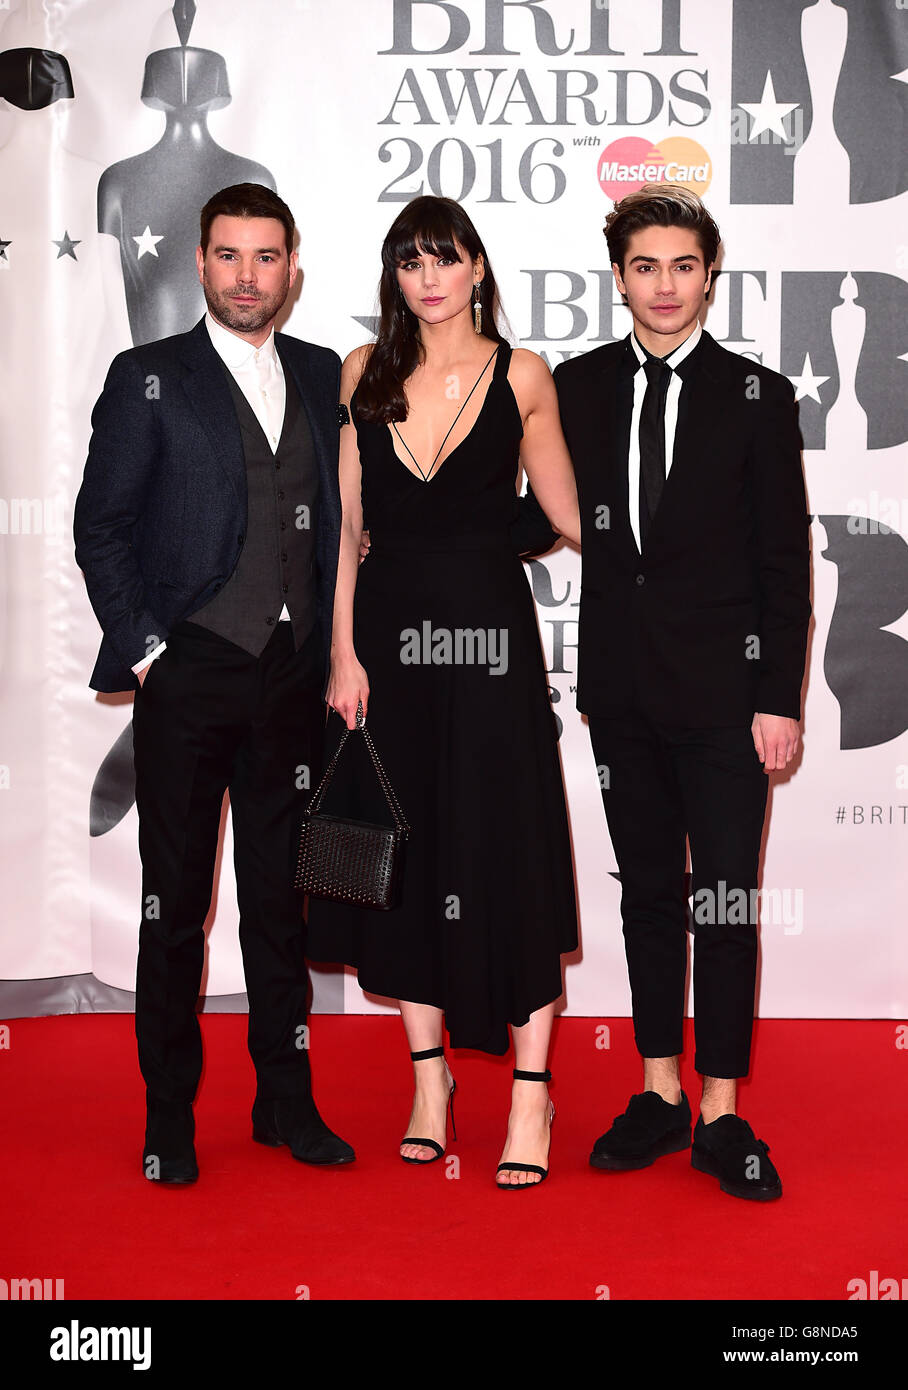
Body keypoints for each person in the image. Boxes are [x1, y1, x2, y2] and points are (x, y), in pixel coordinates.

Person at [73, 183, 354, 1182]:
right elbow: (101, 526)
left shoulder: (322, 373)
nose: (246, 276)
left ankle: (285, 1101)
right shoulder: (148, 375)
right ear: (199, 262)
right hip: (189, 676)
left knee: (280, 906)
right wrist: (152, 651)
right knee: (174, 909)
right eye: (228, 255)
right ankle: (169, 1115)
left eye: (265, 256)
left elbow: (344, 522)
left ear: (291, 268)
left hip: (291, 681)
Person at [305, 195, 581, 1188]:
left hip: (492, 650)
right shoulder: (361, 374)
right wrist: (342, 653)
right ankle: (430, 1084)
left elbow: (569, 512)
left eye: (444, 258)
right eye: (409, 261)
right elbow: (348, 526)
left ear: (476, 268)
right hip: (387, 648)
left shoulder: (524, 375)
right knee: (406, 859)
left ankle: (531, 1094)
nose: (427, 277)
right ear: (395, 276)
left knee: (510, 850)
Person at [554, 184, 810, 1201]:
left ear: (709, 277)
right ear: (619, 279)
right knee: (649, 895)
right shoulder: (574, 387)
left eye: (683, 266)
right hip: (620, 694)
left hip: (726, 701)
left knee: (725, 900)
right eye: (644, 267)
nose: (664, 286)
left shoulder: (757, 395)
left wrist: (777, 697)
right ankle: (658, 1090)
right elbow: (535, 512)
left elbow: (782, 562)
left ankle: (721, 1108)